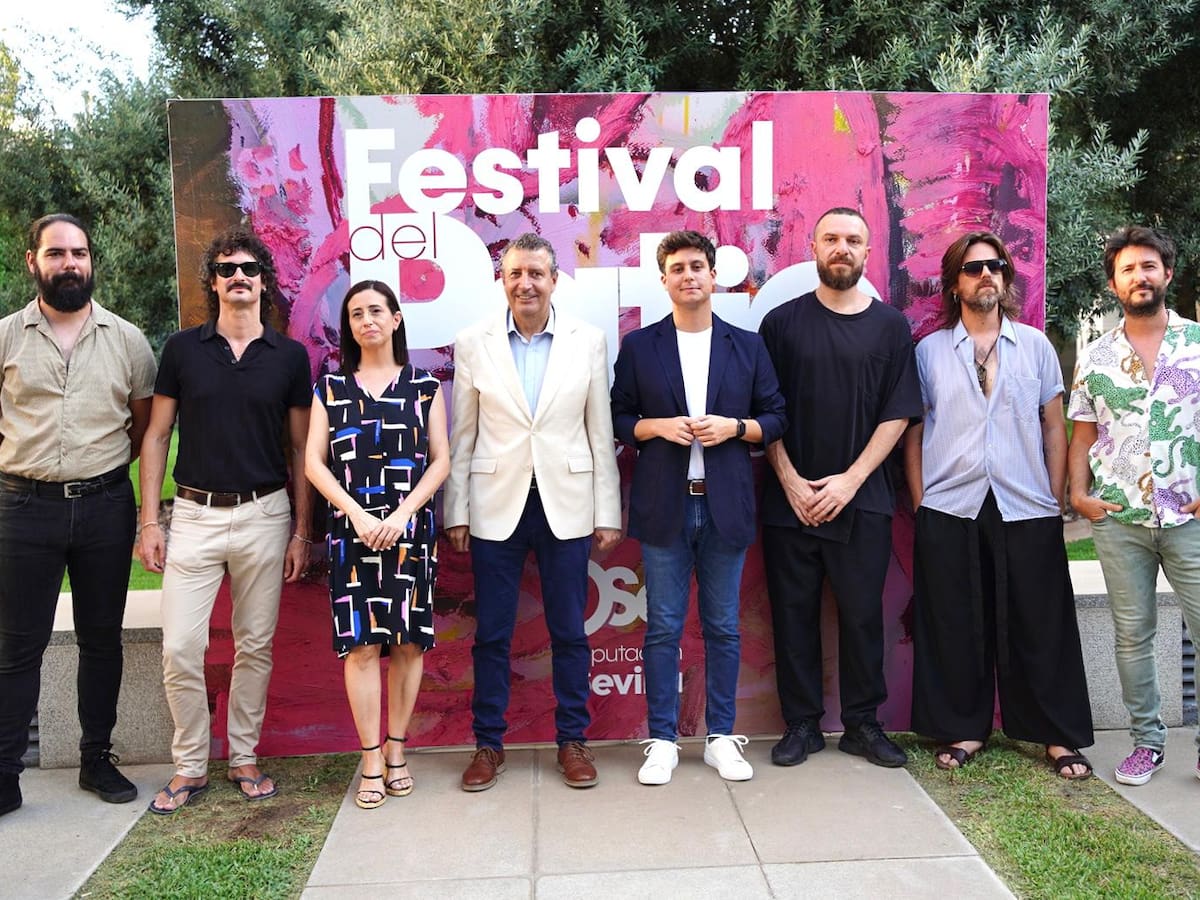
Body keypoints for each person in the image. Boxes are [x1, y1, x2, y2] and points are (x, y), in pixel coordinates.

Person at [904, 232, 1093, 778]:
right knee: (955, 622)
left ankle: (1055, 735)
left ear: (1006, 277)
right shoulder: (929, 352)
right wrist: (921, 502)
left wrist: (1052, 498)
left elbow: (1053, 427)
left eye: (995, 265)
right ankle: (964, 727)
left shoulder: (1035, 346)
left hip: (1026, 503)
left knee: (1040, 623)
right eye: (973, 268)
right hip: (950, 504)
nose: (986, 274)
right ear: (954, 284)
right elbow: (914, 433)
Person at [138, 226, 314, 814]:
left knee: (254, 646)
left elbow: (300, 449)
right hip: (193, 515)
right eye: (226, 268)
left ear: (263, 282)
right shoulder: (182, 349)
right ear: (212, 283)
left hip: (267, 514)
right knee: (180, 648)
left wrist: (301, 531)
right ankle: (190, 765)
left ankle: (243, 755)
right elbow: (156, 435)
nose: (239, 276)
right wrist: (150, 521)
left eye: (249, 268)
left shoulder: (289, 357)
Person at [445, 232, 622, 792]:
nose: (526, 284)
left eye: (536, 274)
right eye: (515, 273)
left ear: (554, 280)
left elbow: (600, 432)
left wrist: (608, 510)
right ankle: (488, 745)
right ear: (502, 280)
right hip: (494, 505)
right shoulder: (472, 342)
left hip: (566, 504)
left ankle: (573, 740)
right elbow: (463, 433)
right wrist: (456, 509)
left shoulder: (587, 341)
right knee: (492, 634)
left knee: (569, 630)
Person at [611, 231, 786, 785]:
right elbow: (618, 418)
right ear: (663, 280)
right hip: (664, 505)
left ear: (713, 276)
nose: (688, 276)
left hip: (724, 505)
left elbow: (776, 417)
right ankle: (662, 740)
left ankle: (720, 738)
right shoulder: (640, 346)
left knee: (724, 628)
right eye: (678, 268)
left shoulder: (747, 346)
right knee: (663, 627)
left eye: (697, 267)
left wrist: (735, 427)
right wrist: (656, 428)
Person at [0, 214, 156, 817]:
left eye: (80, 253)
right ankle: (5, 772)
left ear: (91, 261)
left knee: (101, 639)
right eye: (57, 253)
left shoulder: (128, 340)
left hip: (104, 507)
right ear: (33, 261)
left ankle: (96, 759)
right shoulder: (7, 337)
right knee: (17, 645)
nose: (70, 263)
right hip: (22, 508)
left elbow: (143, 428)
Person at [758, 207, 921, 769]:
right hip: (790, 504)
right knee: (793, 617)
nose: (841, 248)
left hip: (864, 501)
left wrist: (850, 482)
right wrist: (790, 482)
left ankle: (862, 725)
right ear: (813, 247)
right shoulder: (780, 325)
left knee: (861, 618)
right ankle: (801, 724)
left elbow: (898, 414)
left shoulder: (891, 327)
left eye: (853, 240)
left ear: (868, 252)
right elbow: (766, 411)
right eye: (831, 238)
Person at [305, 280, 448, 810]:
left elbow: (441, 460)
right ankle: (369, 757)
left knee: (408, 644)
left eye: (375, 311)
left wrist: (404, 515)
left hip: (410, 536)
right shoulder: (330, 389)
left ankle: (397, 750)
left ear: (395, 319)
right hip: (353, 534)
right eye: (356, 314)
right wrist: (358, 514)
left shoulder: (424, 387)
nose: (366, 320)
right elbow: (313, 463)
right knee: (362, 646)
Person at [1068, 225, 1200, 786]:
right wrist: (1079, 496)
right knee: (1132, 635)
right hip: (1120, 519)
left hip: (1190, 516)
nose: (1139, 277)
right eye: (1128, 269)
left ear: (1167, 273)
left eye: (1149, 266)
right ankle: (1147, 743)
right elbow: (1083, 433)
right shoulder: (1096, 356)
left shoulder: (1197, 343)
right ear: (1114, 284)